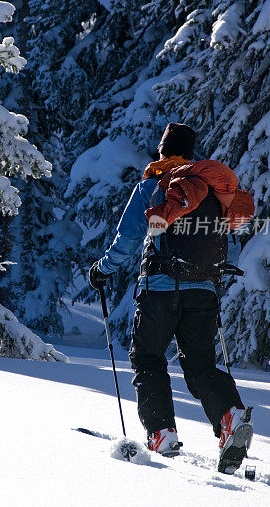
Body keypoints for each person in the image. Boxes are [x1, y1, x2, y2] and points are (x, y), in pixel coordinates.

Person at [89, 123, 255, 474]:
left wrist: (103, 270)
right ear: (191, 155)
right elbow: (224, 239)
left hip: (160, 289)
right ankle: (230, 415)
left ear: (162, 151)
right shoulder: (211, 192)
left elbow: (131, 237)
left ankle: (162, 433)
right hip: (204, 289)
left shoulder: (154, 185)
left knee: (148, 359)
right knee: (200, 367)